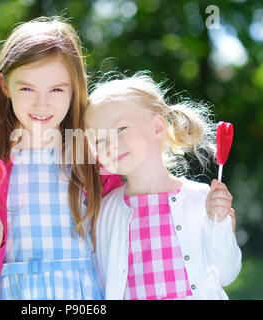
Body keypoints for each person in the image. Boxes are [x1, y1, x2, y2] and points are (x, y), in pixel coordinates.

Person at [0, 16, 123, 300]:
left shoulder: (93, 163)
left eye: (57, 89)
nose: (42, 104)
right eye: (27, 89)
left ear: (75, 89)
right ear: (5, 86)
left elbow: (124, 232)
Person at [86, 73, 242, 300]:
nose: (110, 144)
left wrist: (219, 225)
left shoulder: (201, 199)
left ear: (158, 128)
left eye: (121, 129)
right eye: (99, 139)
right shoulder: (105, 211)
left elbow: (225, 274)